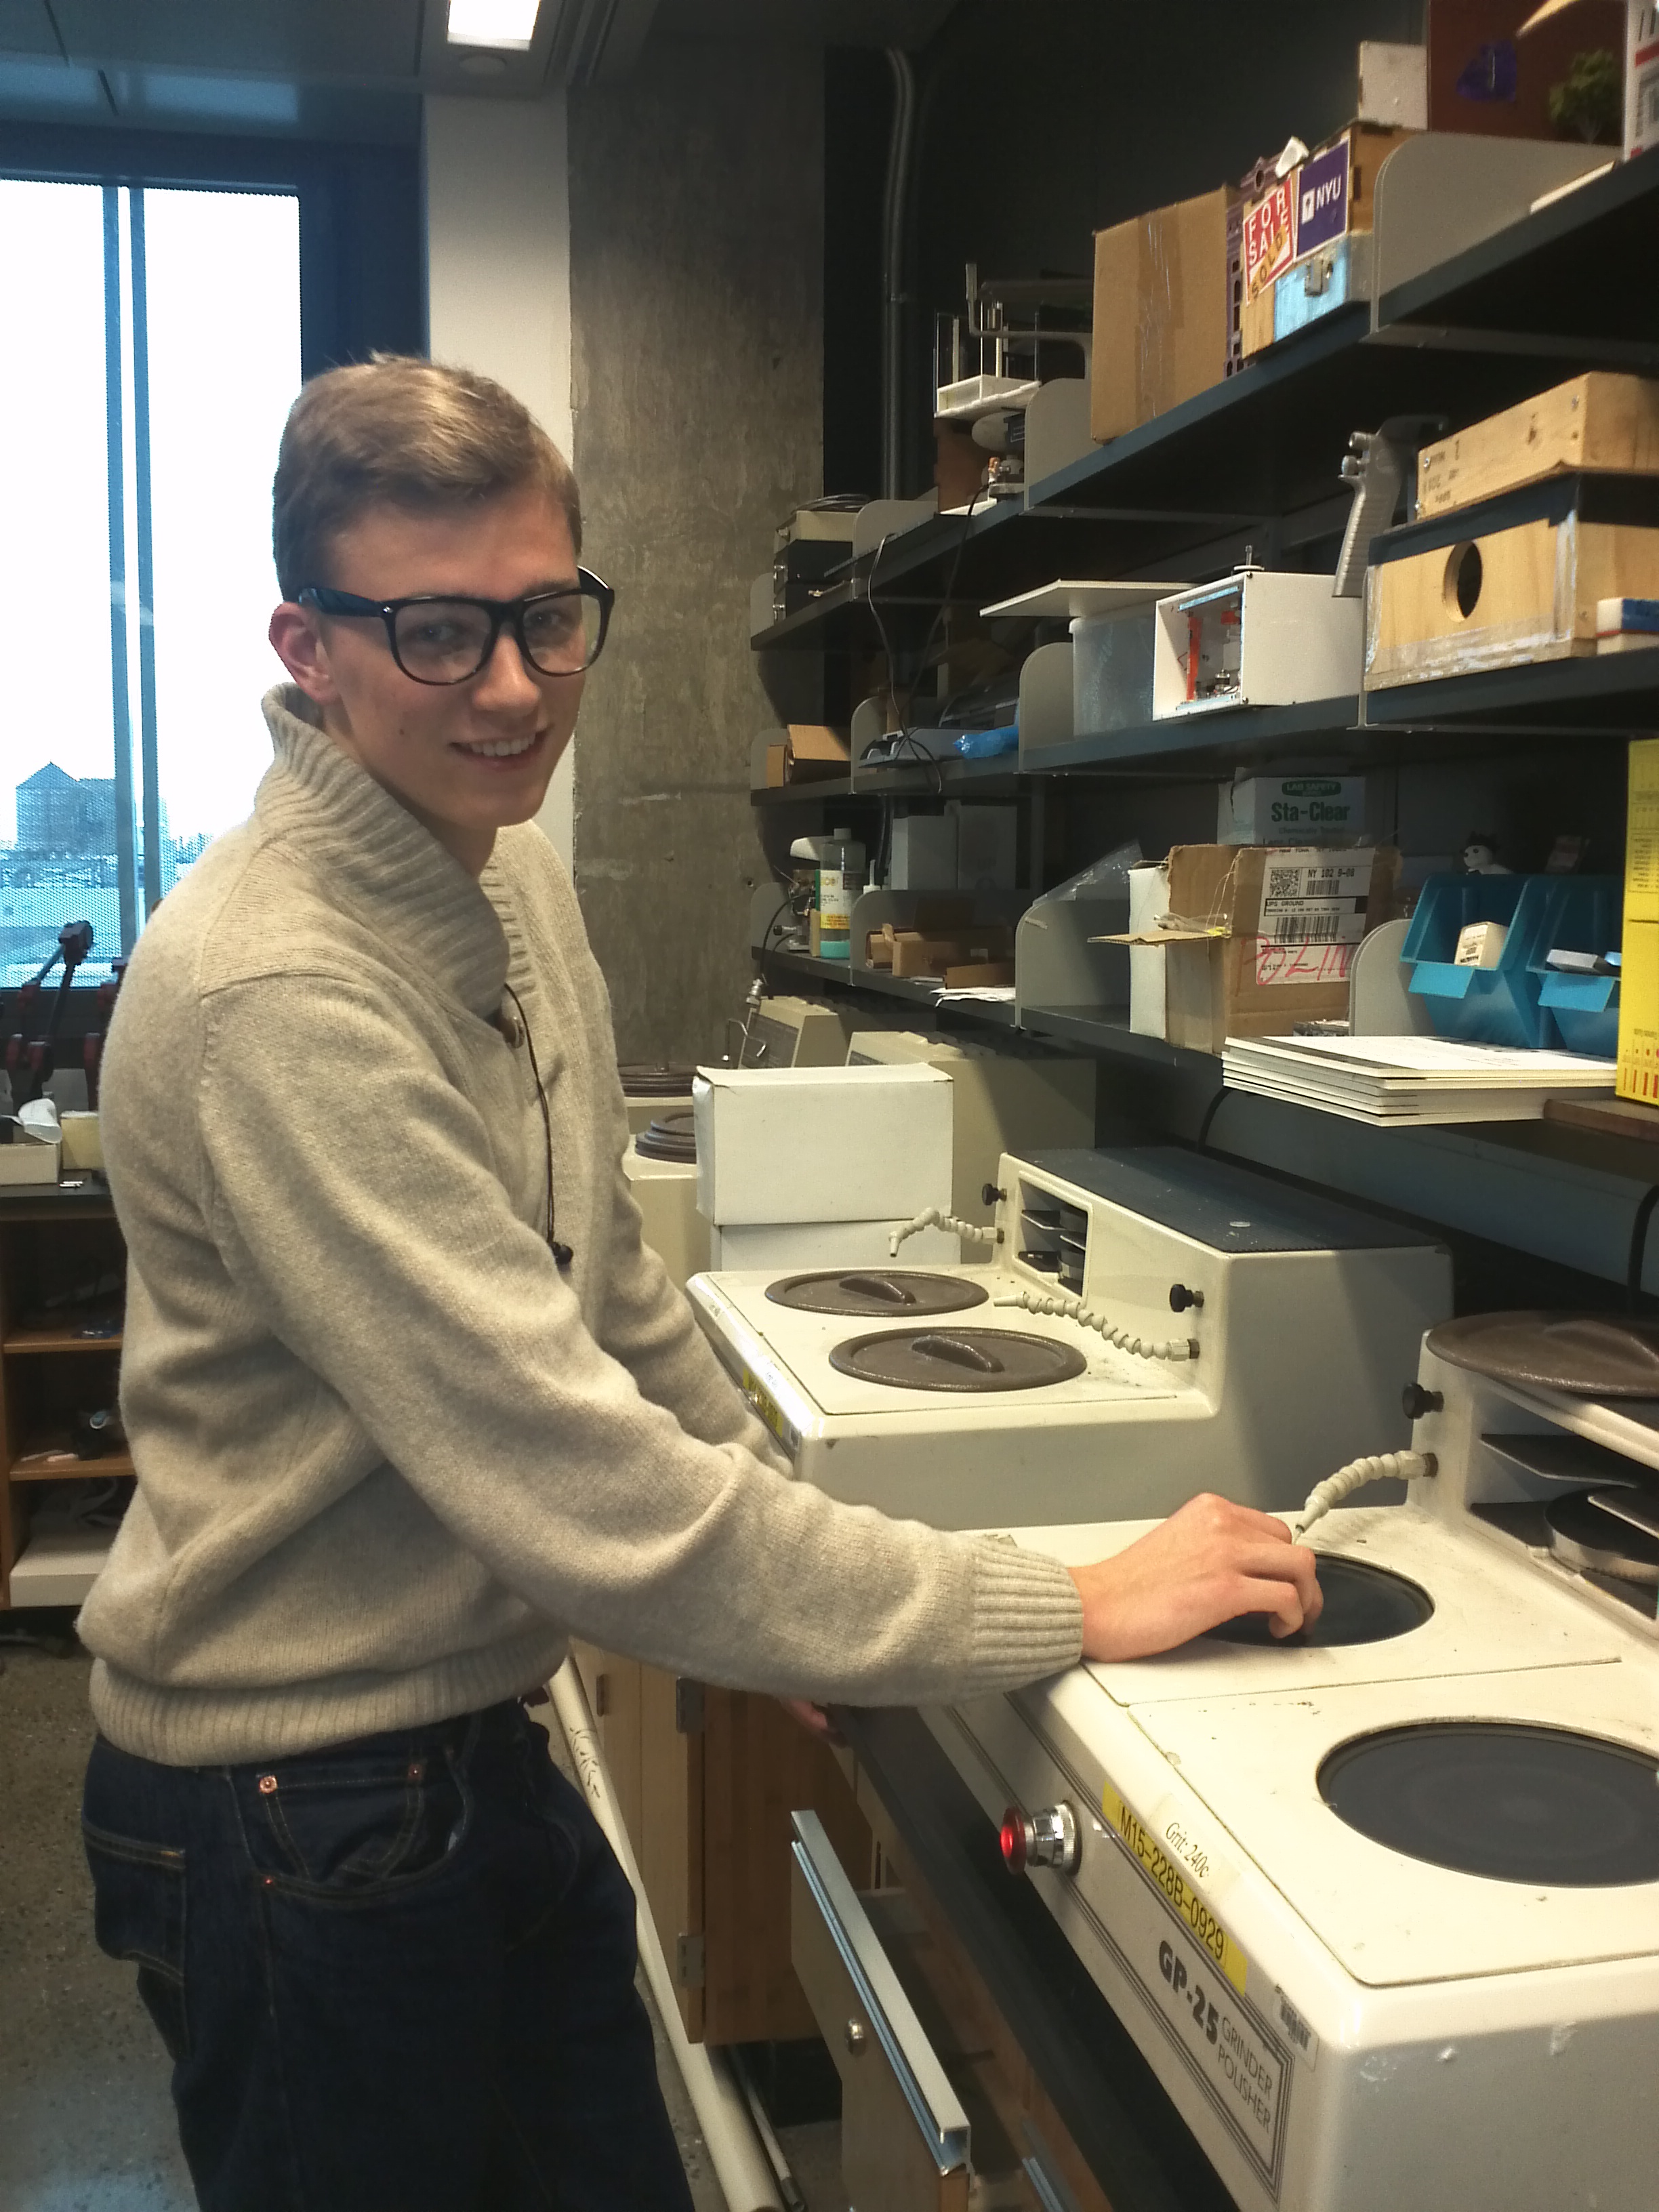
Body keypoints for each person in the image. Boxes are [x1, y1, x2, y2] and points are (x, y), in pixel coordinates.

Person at [76, 356, 1322, 2212]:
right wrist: (1051, 1600)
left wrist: (797, 1593)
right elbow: (574, 1483)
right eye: (436, 632)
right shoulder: (280, 993)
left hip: (455, 1749)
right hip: (298, 1808)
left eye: (545, 617)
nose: (514, 688)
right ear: (307, 647)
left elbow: (609, 1301)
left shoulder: (507, 885)